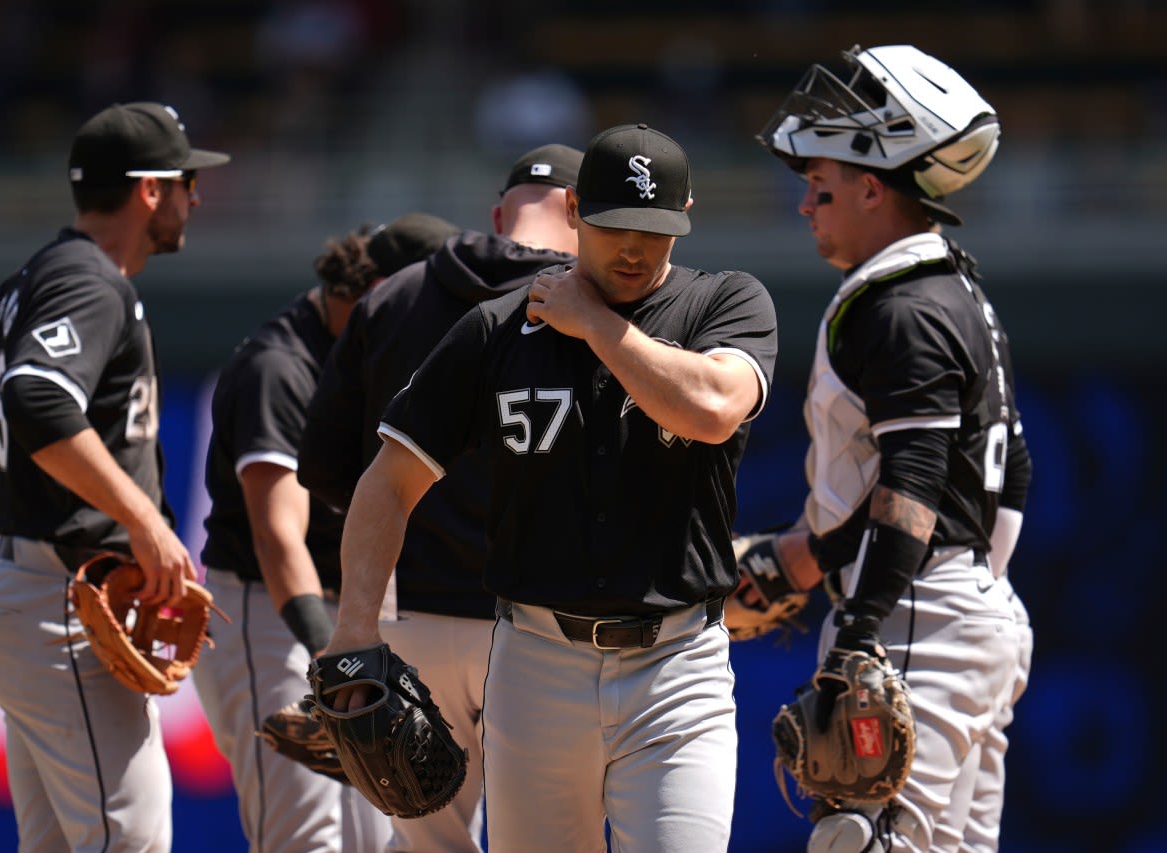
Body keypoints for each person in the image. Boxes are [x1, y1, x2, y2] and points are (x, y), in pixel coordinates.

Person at [318, 123, 777, 853]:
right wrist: (352, 630)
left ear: (687, 213)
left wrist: (592, 322)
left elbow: (715, 409)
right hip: (536, 662)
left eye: (654, 229)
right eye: (613, 225)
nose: (632, 247)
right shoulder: (495, 330)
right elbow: (389, 480)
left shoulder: (724, 304)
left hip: (676, 665)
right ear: (573, 210)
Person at [0, 101, 228, 851]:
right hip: (63, 604)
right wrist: (147, 521)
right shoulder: (87, 281)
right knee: (131, 840)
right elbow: (36, 396)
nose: (195, 196)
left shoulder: (45, 276)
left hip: (37, 593)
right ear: (149, 189)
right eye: (185, 179)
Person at [748, 45, 1033, 851]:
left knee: (863, 841)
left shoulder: (900, 306)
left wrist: (867, 626)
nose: (807, 204)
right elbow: (1012, 474)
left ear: (874, 188)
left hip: (917, 617)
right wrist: (807, 556)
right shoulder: (956, 288)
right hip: (969, 609)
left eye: (822, 184)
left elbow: (914, 480)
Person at [297, 142, 583, 852]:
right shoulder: (590, 301)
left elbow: (326, 468)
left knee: (428, 845)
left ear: (498, 214)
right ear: (582, 209)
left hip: (415, 619)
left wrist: (412, 524)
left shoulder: (393, 296)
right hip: (543, 626)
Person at [193, 212, 460, 853]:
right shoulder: (280, 366)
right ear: (374, 291)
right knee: (304, 839)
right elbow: (277, 536)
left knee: (384, 831)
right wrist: (336, 661)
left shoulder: (376, 353)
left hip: (351, 614)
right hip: (274, 616)